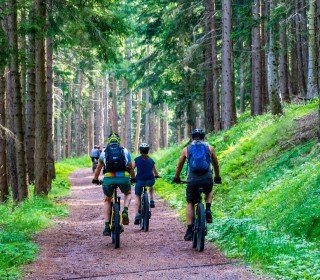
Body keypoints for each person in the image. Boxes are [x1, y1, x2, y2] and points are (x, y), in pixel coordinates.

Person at [173, 128, 222, 241]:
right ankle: (208, 209)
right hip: (207, 178)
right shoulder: (210, 148)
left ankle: (189, 230)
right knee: (209, 191)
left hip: (192, 180)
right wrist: (217, 176)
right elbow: (216, 164)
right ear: (203, 137)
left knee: (190, 202)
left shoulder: (187, 149)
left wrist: (176, 177)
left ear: (192, 137)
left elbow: (179, 165)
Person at [92, 132, 136, 236]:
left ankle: (107, 227)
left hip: (109, 178)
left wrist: (95, 179)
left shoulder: (104, 152)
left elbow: (98, 167)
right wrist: (133, 178)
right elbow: (130, 166)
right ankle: (125, 210)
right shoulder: (125, 151)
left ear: (108, 141)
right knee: (128, 193)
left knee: (107, 199)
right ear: (118, 141)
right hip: (123, 178)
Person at [133, 143, 160, 225]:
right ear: (148, 151)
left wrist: (132, 177)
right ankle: (151, 200)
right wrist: (157, 175)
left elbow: (132, 169)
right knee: (151, 185)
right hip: (150, 180)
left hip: (139, 181)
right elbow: (155, 172)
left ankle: (137, 215)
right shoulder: (151, 160)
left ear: (140, 151)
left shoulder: (137, 160)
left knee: (138, 196)